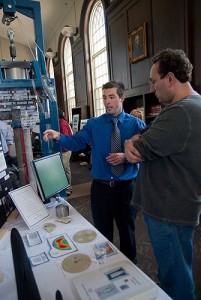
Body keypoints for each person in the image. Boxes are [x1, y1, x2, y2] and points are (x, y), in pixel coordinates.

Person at [124, 48, 201, 300]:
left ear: (170, 78)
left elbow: (139, 146)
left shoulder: (181, 111)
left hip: (169, 213)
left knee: (175, 280)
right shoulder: (186, 107)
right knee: (175, 272)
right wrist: (136, 138)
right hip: (175, 207)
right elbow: (145, 133)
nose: (151, 88)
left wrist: (132, 142)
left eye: (153, 81)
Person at [43, 80, 146, 262]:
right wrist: (59, 136)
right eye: (104, 98)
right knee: (101, 234)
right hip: (101, 189)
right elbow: (77, 142)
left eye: (112, 97)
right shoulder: (94, 124)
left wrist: (125, 156)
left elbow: (145, 152)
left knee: (127, 233)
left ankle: (132, 271)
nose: (107, 102)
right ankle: (104, 268)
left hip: (126, 189)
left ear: (122, 98)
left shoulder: (136, 125)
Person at [58, 108, 73, 195]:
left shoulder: (62, 124)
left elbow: (66, 138)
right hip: (64, 150)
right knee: (65, 168)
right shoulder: (61, 122)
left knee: (65, 168)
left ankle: (68, 188)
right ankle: (66, 186)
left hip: (66, 151)